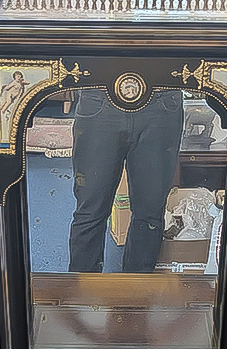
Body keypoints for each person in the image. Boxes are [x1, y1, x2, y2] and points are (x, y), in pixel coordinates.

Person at [67, 88, 184, 273]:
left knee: (150, 214)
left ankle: (137, 296)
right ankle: (80, 296)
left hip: (161, 100)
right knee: (90, 212)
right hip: (100, 95)